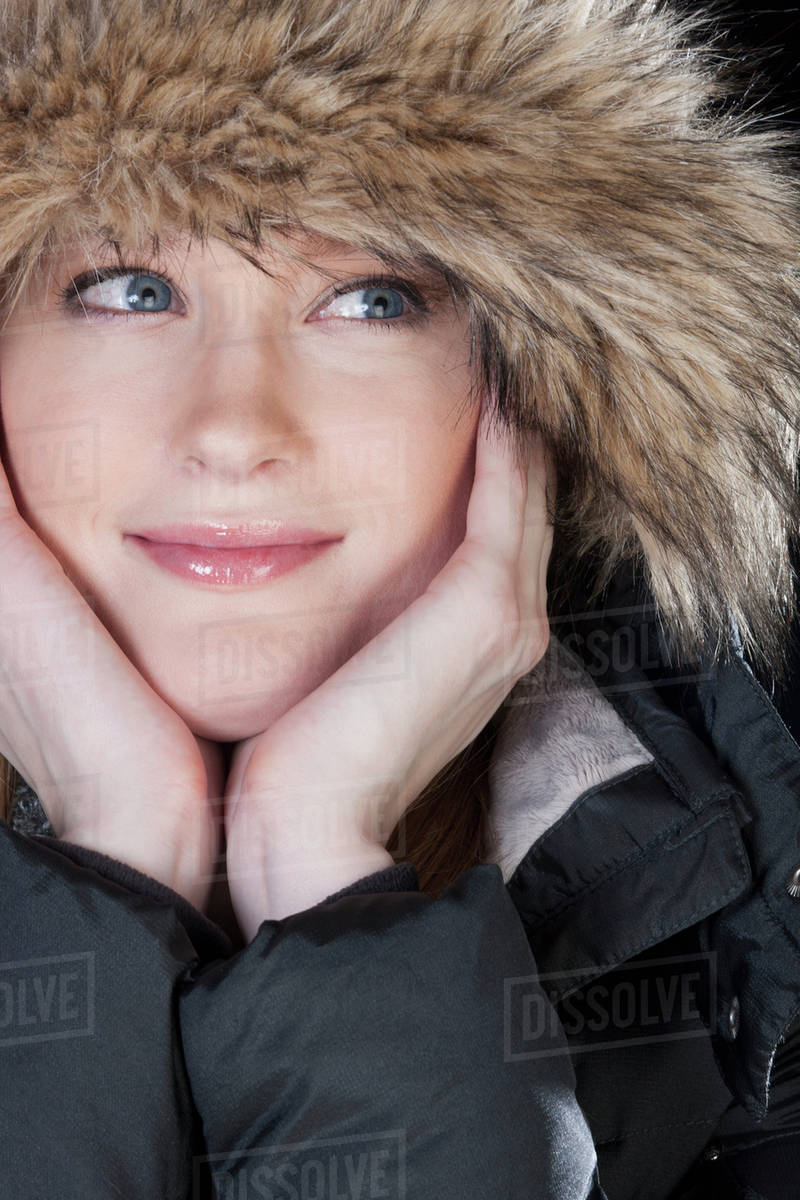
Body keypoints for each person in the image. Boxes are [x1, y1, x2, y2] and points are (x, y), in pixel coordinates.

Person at [0, 0, 799, 1196]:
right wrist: (106, 855)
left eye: (370, 300)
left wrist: (323, 860)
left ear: (533, 389)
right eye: (128, 288)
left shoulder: (752, 981)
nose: (233, 430)